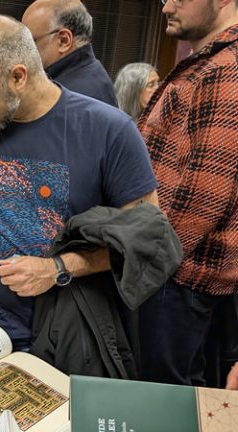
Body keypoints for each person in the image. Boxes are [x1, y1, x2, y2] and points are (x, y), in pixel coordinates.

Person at [0, 15, 158, 350]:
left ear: (17, 77)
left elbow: (147, 242)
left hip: (60, 335)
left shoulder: (110, 132)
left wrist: (57, 268)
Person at [136, 0, 238, 387]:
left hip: (177, 276)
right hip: (172, 273)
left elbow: (204, 198)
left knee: (163, 402)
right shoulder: (208, 63)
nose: (166, 7)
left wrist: (143, 264)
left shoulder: (225, 69)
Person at [22, 0, 118, 106]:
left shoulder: (74, 96)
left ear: (64, 41)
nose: (22, 50)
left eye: (29, 42)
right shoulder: (88, 74)